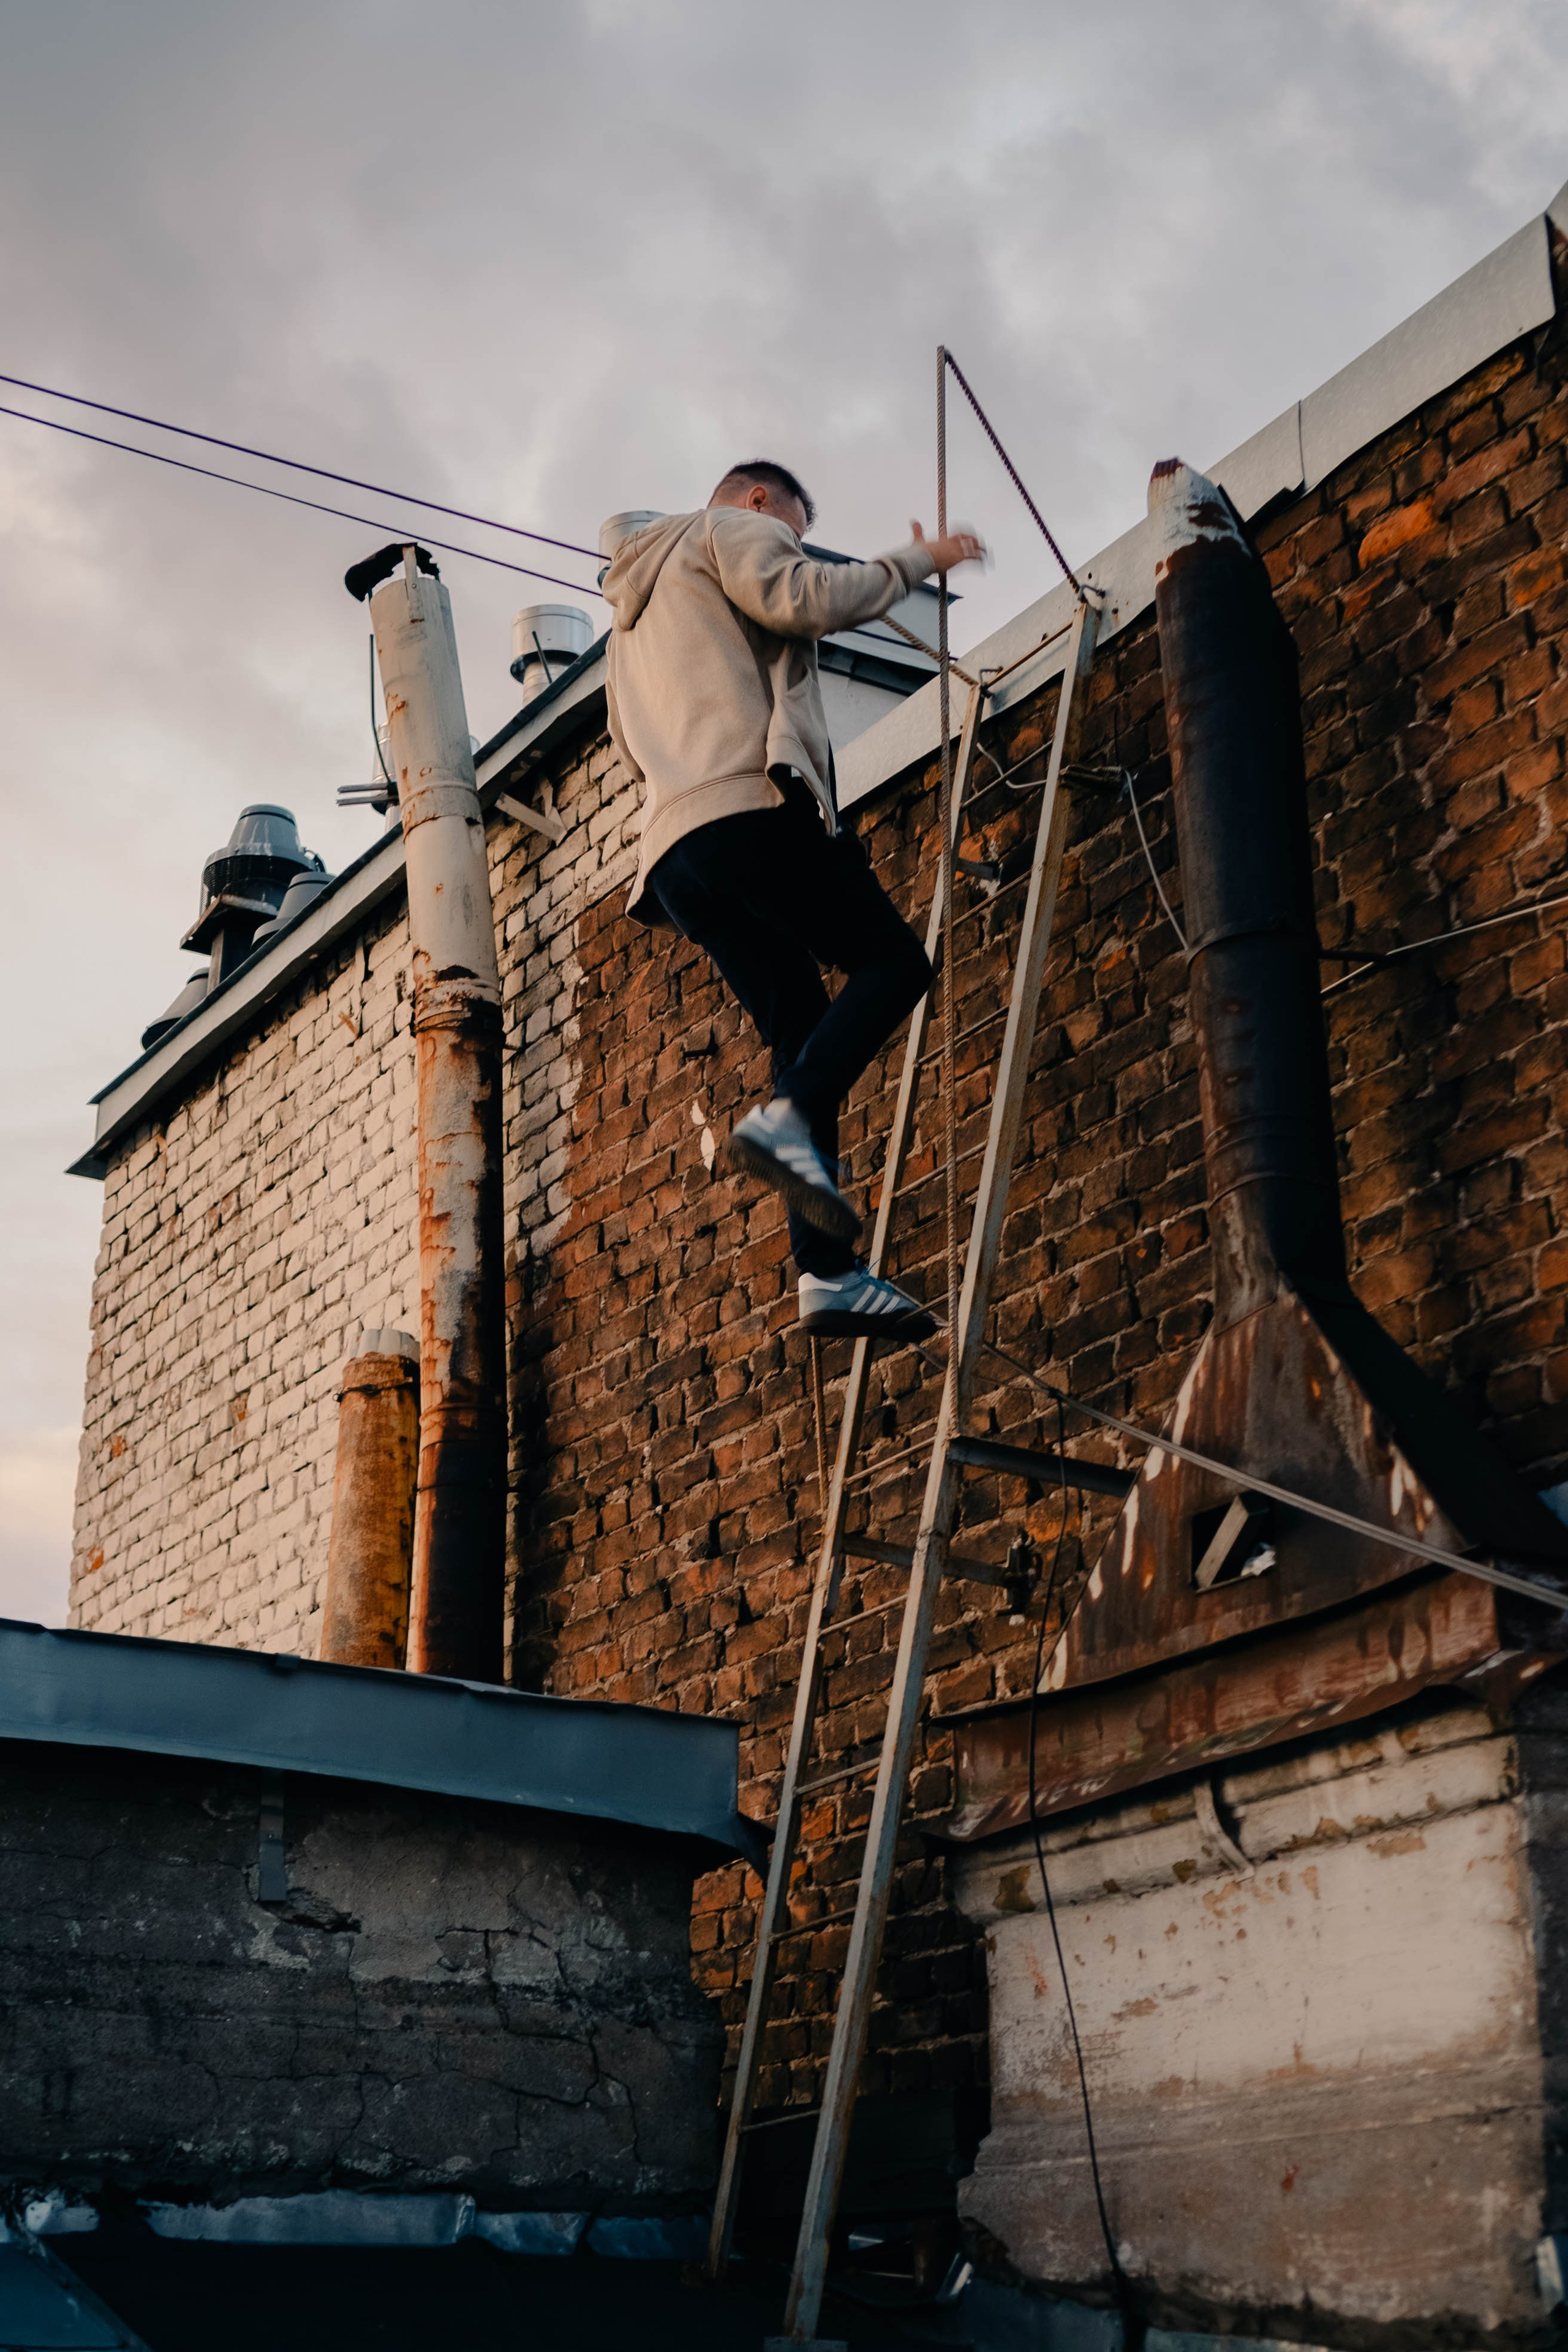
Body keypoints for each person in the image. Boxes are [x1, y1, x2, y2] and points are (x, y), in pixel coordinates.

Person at [601, 459, 985, 1339]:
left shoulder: (625, 629)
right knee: (893, 963)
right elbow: (808, 599)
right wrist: (917, 566)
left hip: (676, 859)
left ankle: (825, 1274)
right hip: (750, 810)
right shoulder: (723, 528)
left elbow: (629, 750)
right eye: (794, 532)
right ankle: (787, 1121)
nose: (792, 546)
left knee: (801, 1030)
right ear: (760, 501)